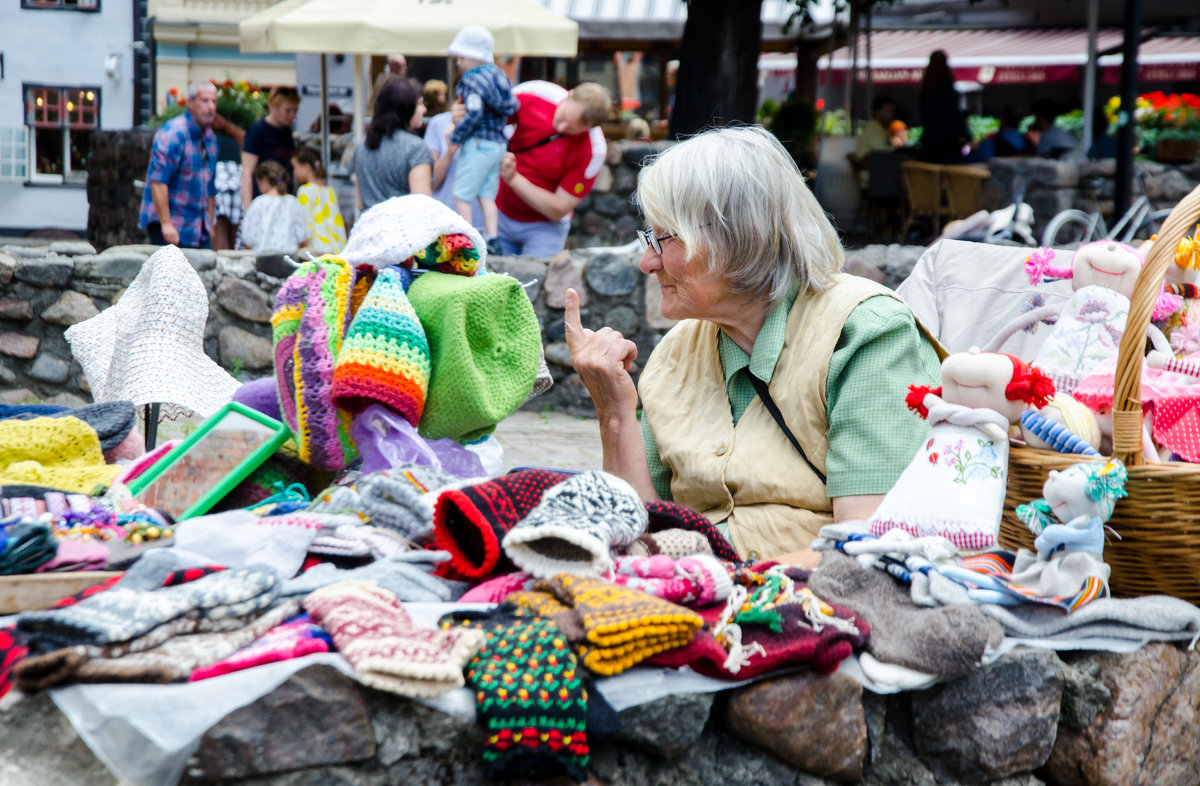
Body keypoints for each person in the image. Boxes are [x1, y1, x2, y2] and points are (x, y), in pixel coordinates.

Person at [563, 126, 941, 563]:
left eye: (663, 239)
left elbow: (867, 547)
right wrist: (614, 412)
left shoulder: (866, 330)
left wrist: (719, 584)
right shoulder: (675, 351)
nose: (648, 261)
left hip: (809, 601)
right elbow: (638, 530)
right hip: (694, 594)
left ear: (737, 237)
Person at [495, 81, 612, 257]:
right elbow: (489, 118)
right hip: (498, 214)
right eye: (564, 117)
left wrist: (514, 179)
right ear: (570, 94)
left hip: (543, 229)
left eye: (572, 128)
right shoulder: (533, 93)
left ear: (590, 128)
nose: (561, 127)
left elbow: (559, 208)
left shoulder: (593, 150)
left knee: (534, 281)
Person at [440, 25, 520, 248]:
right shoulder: (499, 76)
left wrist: (456, 135)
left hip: (477, 143)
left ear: (472, 56)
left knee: (462, 195)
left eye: (461, 58)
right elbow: (513, 105)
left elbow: (474, 113)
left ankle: (469, 241)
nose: (459, 63)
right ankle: (493, 238)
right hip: (497, 144)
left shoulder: (471, 81)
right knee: (486, 194)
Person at [138, 81, 218, 248]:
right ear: (190, 102)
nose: (211, 106)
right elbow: (158, 181)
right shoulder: (173, 134)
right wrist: (166, 224)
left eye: (214, 101)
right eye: (205, 100)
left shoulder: (210, 138)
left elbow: (210, 187)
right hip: (171, 226)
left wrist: (209, 223)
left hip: (198, 229)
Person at [353, 77, 433, 209]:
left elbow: (360, 203)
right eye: (419, 104)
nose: (424, 109)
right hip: (403, 227)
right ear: (405, 107)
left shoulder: (362, 147)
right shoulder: (415, 148)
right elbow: (423, 206)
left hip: (368, 227)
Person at [425, 110, 485, 232]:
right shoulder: (438, 123)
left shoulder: (494, 123)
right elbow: (431, 183)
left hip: (484, 224)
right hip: (445, 223)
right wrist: (450, 151)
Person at [241, 86, 300, 209]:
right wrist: (248, 209)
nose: (292, 115)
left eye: (295, 110)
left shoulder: (287, 133)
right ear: (273, 106)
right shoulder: (258, 131)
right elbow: (247, 172)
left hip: (284, 201)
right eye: (288, 110)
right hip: (263, 203)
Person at [236, 161, 310, 251]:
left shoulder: (258, 203)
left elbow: (248, 238)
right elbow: (302, 236)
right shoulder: (293, 202)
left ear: (263, 181)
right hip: (288, 259)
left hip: (262, 260)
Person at [291, 146, 347, 255]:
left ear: (306, 166)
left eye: (295, 167)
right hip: (337, 248)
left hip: (317, 251)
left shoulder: (305, 191)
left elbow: (305, 224)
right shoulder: (330, 190)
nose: (294, 172)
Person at [918, 50, 968, 165]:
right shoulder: (947, 89)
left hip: (930, 143)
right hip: (948, 143)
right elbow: (954, 114)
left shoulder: (925, 90)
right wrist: (968, 137)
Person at [854, 95, 897, 187]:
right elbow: (884, 154)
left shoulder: (878, 128)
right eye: (889, 110)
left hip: (876, 179)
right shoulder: (874, 129)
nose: (892, 115)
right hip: (873, 182)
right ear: (878, 112)